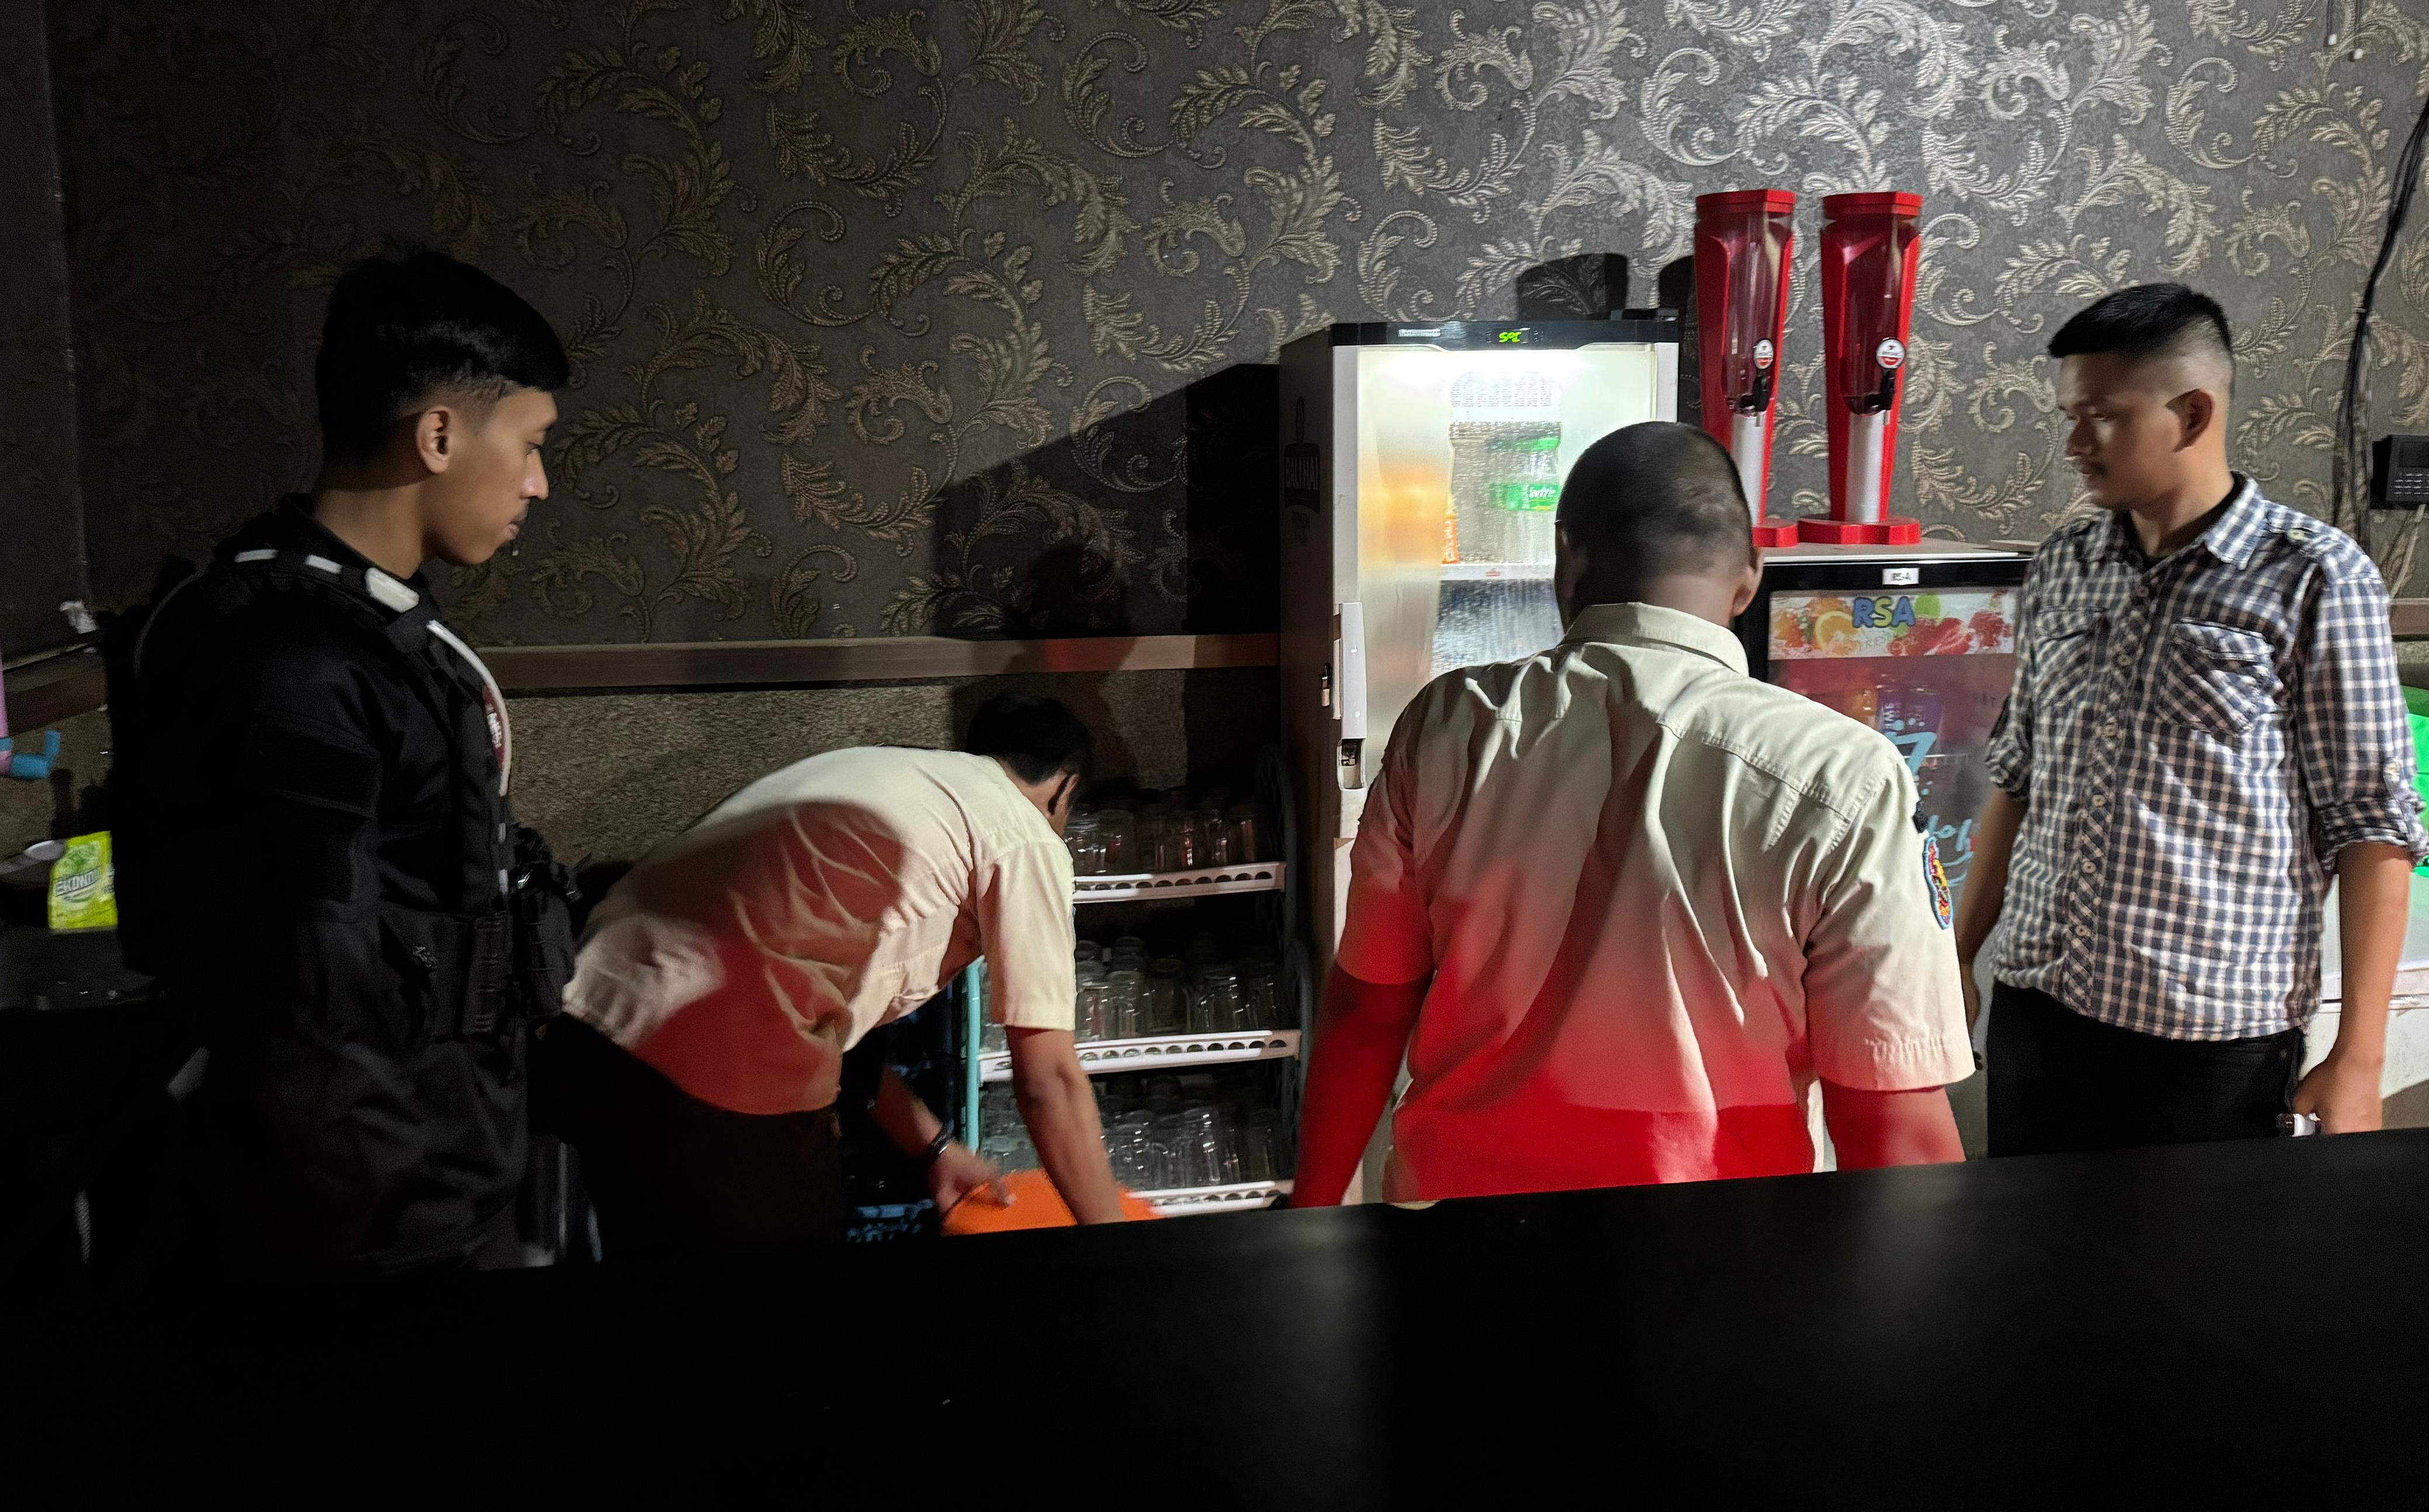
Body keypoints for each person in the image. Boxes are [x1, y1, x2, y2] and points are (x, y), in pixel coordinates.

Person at [1292, 422, 1971, 1208]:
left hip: (1458, 1229)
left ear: (1568, 560)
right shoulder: (1843, 773)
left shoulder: (1448, 723)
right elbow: (1890, 1116)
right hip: (1725, 1252)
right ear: (1749, 578)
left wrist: (1309, 1213)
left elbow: (1367, 1009)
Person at [109, 248, 573, 1272]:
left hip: (447, 1154)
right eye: (532, 445)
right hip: (381, 1215)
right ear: (439, 435)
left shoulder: (368, 626)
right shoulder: (295, 667)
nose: (538, 484)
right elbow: (308, 1004)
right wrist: (415, 1224)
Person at [1960, 283, 2426, 1155]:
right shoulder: (2064, 564)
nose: (2074, 444)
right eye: (2070, 417)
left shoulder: (2314, 578)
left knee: (2200, 1249)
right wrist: (1958, 957)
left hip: (2212, 1042)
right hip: (2041, 1009)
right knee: (2026, 1239)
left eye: (2101, 417)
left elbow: (2374, 829)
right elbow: (2017, 779)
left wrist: (2358, 1057)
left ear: (2192, 413)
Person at [541, 693, 1123, 1252]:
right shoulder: (1023, 834)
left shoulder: (895, 774)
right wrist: (1126, 1254)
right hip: (712, 1079)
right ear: (1064, 787)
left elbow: (841, 1024)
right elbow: (1049, 1081)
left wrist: (935, 1149)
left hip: (585, 1026)